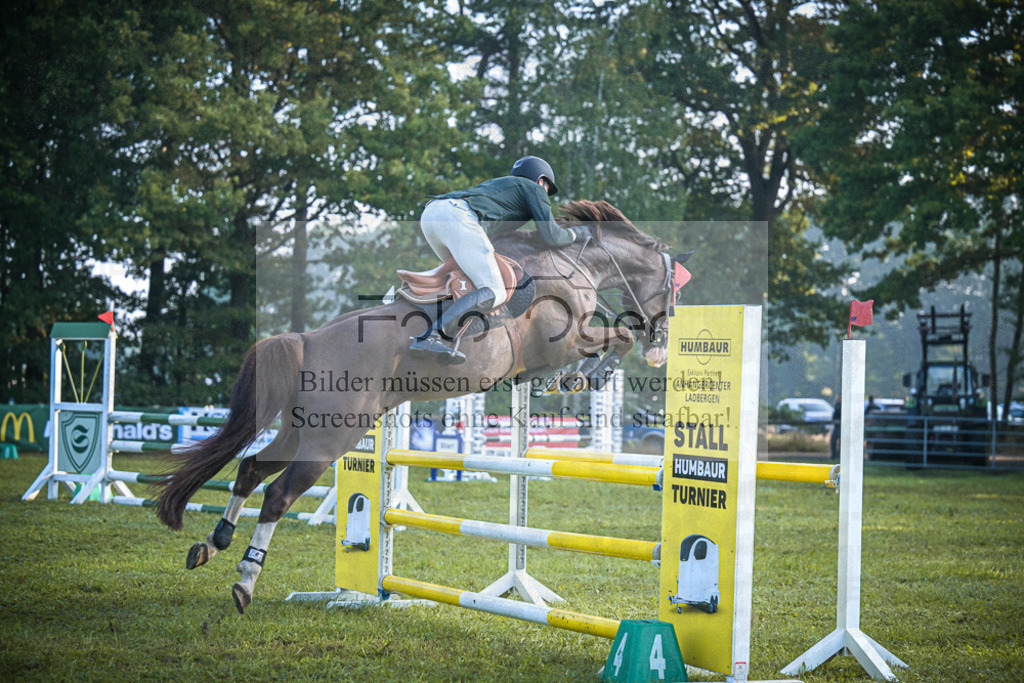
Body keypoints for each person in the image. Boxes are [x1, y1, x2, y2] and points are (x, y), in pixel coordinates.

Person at [409, 156, 582, 364]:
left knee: (461, 282)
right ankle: (432, 336)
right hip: (457, 217)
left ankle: (419, 319)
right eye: (547, 188)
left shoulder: (506, 188)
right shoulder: (533, 189)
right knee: (495, 291)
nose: (546, 194)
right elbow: (552, 236)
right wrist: (575, 235)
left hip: (432, 213)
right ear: (541, 181)